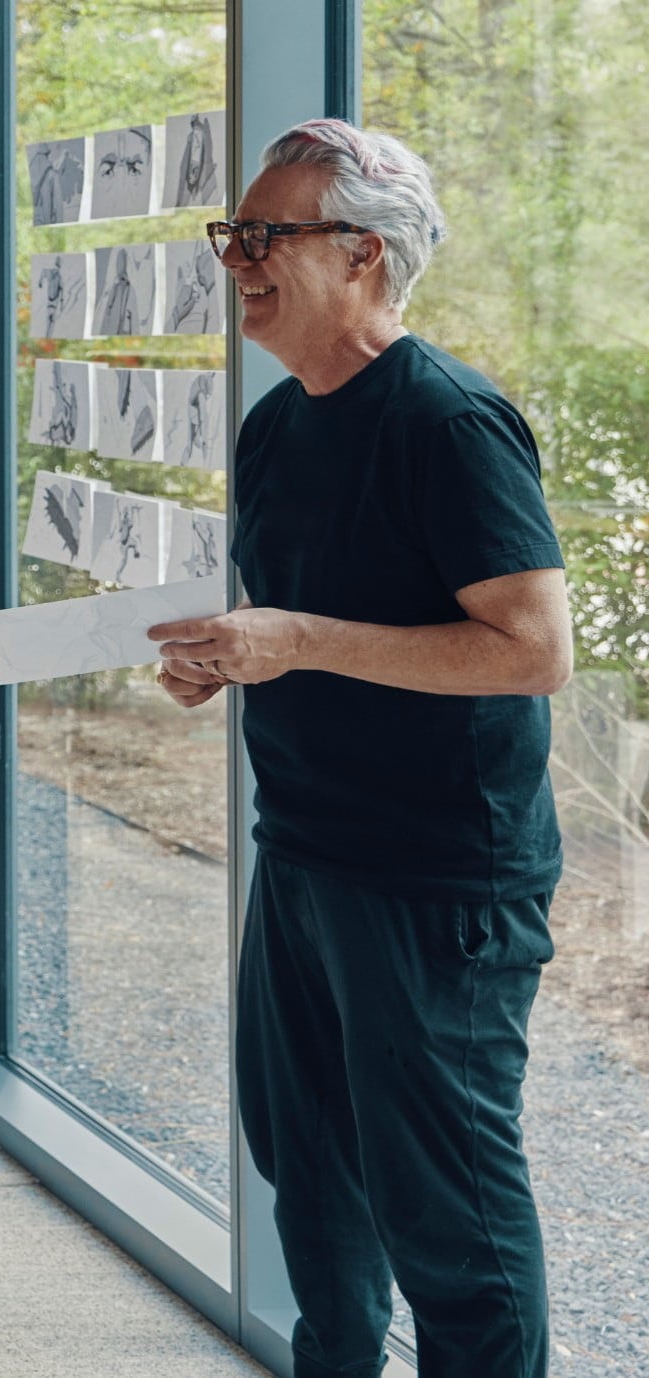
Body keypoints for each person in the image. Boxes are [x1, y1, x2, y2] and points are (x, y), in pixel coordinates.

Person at [149, 119, 571, 1378]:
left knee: (451, 1218)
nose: (240, 258)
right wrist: (220, 659)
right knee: (311, 1175)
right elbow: (301, 629)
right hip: (307, 855)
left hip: (438, 882)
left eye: (269, 234)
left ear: (369, 257)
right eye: (235, 233)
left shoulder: (450, 423)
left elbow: (533, 650)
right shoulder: (277, 427)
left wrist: (298, 637)